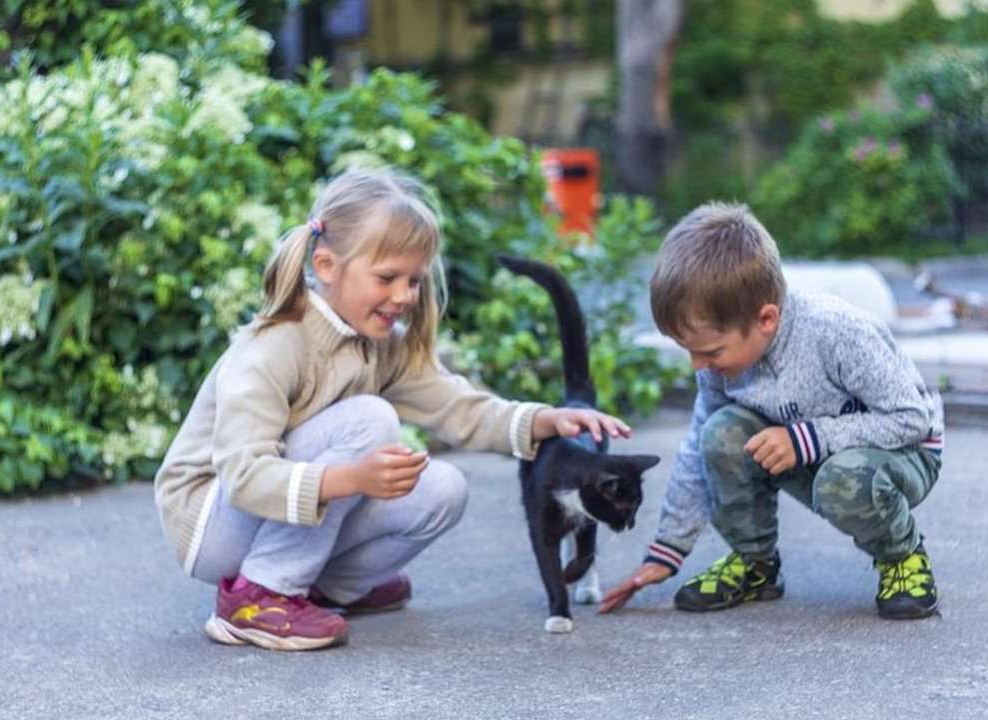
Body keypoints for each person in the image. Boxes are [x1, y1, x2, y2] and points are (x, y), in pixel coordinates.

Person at [154, 167, 631, 651]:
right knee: (372, 418)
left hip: (265, 517)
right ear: (326, 265)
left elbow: (455, 407)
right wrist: (351, 480)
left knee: (445, 489)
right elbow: (242, 474)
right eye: (387, 278)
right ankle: (260, 595)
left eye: (414, 280)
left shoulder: (377, 343)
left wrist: (543, 420)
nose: (404, 295)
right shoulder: (274, 347)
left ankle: (329, 587)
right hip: (211, 522)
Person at [599, 202, 943, 620]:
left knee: (842, 481)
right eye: (688, 352)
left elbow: (910, 420)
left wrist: (805, 440)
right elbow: (697, 449)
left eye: (707, 351)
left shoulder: (837, 332)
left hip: (903, 452)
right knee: (721, 433)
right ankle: (755, 564)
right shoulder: (723, 362)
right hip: (814, 449)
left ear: (766, 318)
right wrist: (668, 550)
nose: (696, 365)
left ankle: (902, 557)